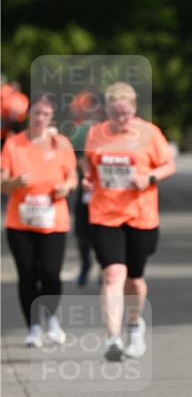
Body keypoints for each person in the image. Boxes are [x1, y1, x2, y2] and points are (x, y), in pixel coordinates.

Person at [83, 82, 176, 361]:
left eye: (126, 113)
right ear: (107, 110)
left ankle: (134, 326)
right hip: (104, 213)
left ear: (134, 109)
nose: (121, 118)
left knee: (134, 278)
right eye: (115, 113)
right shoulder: (96, 134)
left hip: (141, 214)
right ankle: (112, 337)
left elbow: (169, 165)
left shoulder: (149, 133)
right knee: (112, 274)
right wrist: (87, 177)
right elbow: (87, 162)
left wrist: (147, 178)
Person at [1, 93, 77, 346]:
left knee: (50, 273)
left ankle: (51, 318)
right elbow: (2, 182)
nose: (40, 119)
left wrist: (66, 187)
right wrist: (14, 182)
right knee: (27, 274)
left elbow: (73, 177)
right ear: (28, 116)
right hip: (20, 221)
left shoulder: (61, 144)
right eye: (36, 114)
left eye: (45, 115)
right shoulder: (14, 144)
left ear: (51, 118)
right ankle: (33, 326)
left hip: (53, 220)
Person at [67, 90, 103, 285]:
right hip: (87, 188)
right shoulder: (80, 131)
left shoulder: (110, 130)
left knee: (103, 232)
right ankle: (85, 263)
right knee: (82, 231)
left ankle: (104, 269)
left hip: (107, 192)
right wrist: (85, 168)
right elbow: (74, 157)